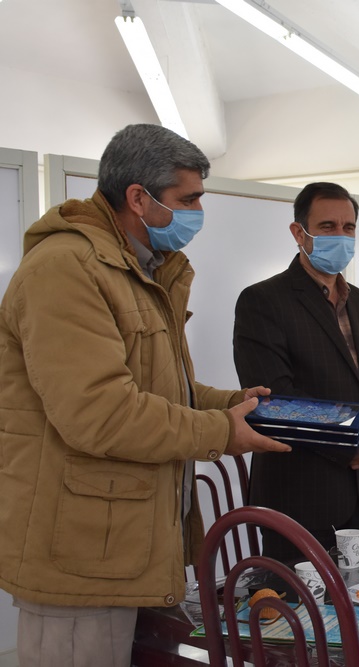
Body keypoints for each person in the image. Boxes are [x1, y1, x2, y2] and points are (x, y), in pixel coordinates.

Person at [0, 124, 290, 667]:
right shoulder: (67, 268)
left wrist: (229, 404)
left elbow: (161, 388)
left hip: (131, 545)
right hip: (81, 557)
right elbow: (99, 412)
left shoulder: (139, 268)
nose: (199, 212)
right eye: (189, 199)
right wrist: (221, 431)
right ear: (138, 198)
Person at [233, 182, 359, 561]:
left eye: (348, 227)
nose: (340, 235)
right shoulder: (262, 301)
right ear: (299, 233)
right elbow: (276, 401)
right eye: (327, 227)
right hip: (299, 498)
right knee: (294, 600)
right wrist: (356, 442)